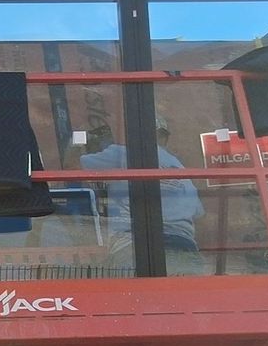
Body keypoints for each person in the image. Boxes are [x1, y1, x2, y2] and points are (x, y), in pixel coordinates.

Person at [80, 113, 211, 276]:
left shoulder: (122, 154)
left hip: (134, 246)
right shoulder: (180, 169)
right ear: (164, 138)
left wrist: (76, 142)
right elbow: (199, 215)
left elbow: (71, 167)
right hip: (185, 247)